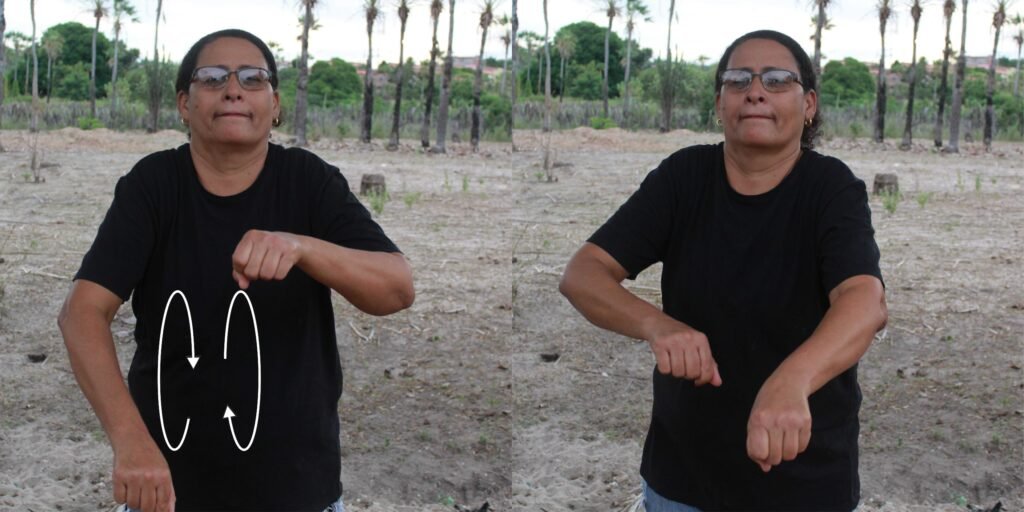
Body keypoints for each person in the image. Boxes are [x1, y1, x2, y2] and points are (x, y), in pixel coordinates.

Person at [57, 29, 414, 512]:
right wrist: (130, 441)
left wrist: (302, 247)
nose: (232, 90)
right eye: (211, 78)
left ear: (275, 104)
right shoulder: (152, 186)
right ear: (184, 104)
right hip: (168, 491)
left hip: (298, 491)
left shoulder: (308, 181)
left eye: (252, 78)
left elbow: (396, 288)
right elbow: (81, 314)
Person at [559, 30, 887, 511]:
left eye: (777, 79)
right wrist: (658, 325)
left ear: (809, 104)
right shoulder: (683, 178)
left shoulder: (830, 188)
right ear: (719, 103)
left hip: (805, 483)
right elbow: (583, 274)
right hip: (681, 481)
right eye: (738, 80)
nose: (755, 91)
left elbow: (864, 299)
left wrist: (792, 380)